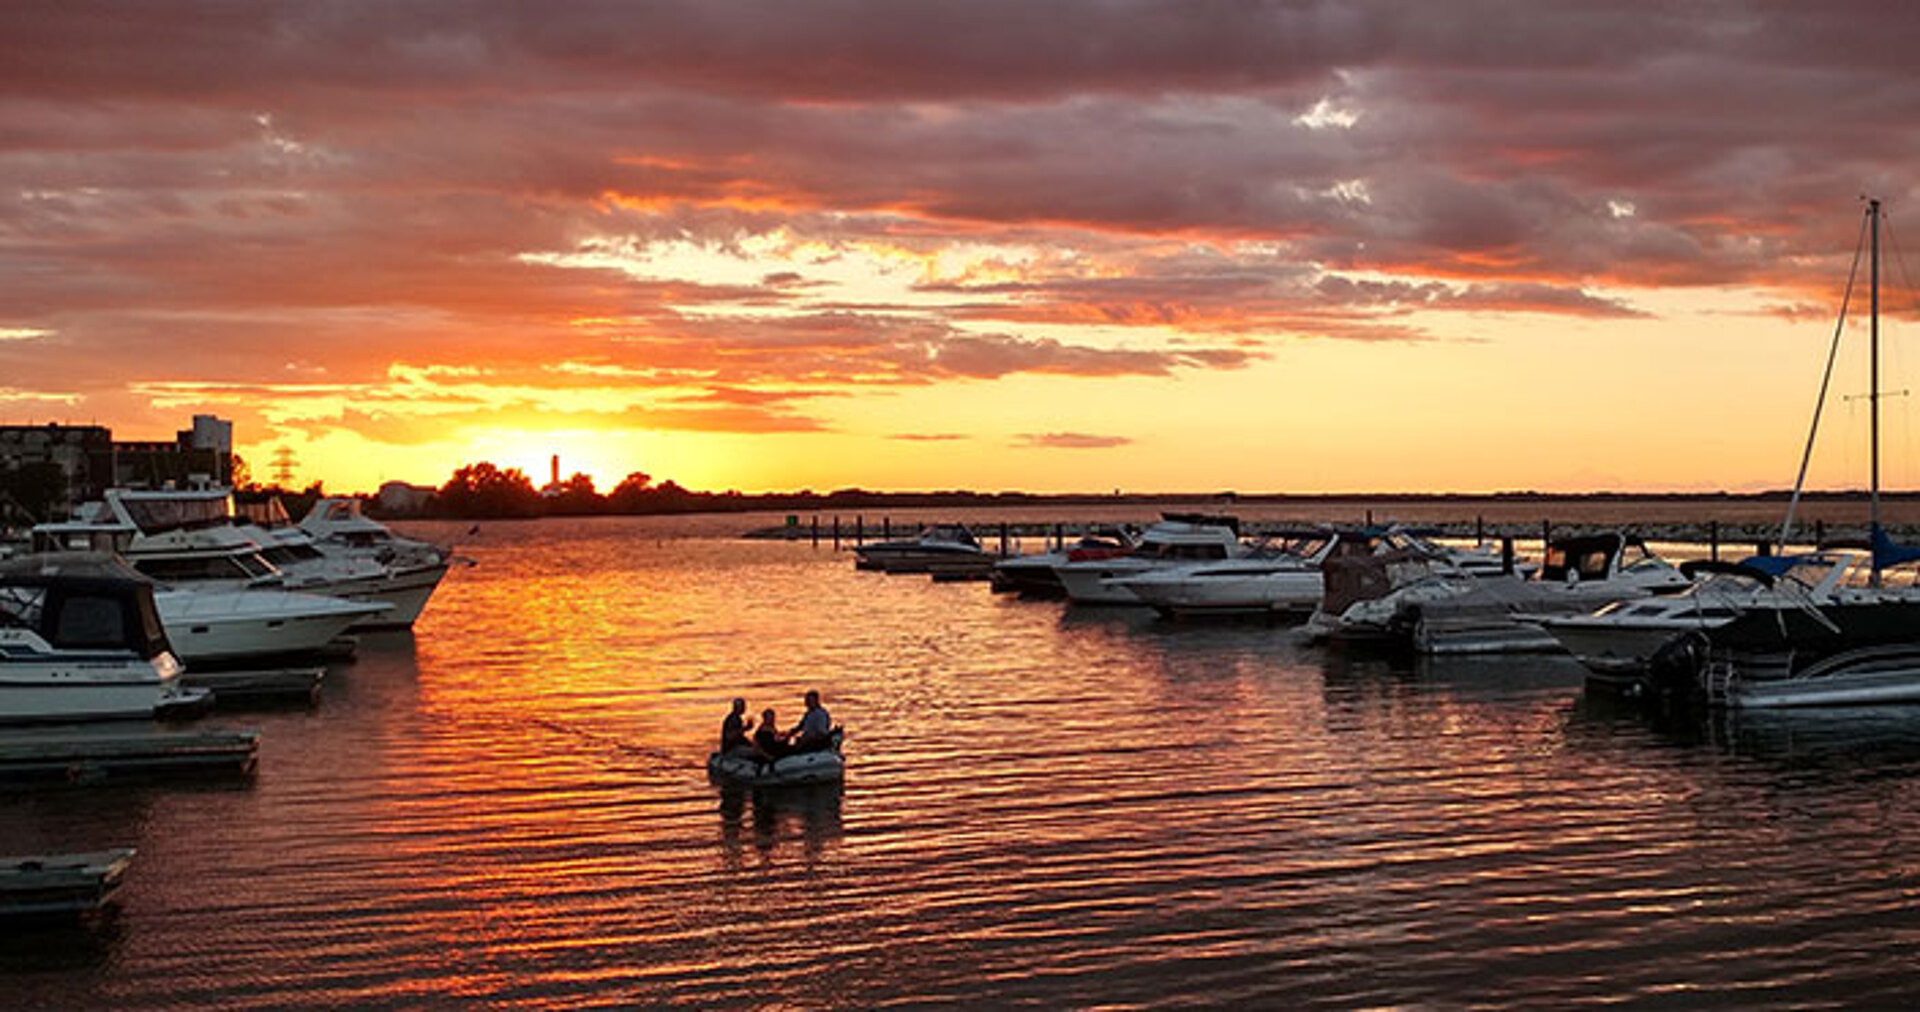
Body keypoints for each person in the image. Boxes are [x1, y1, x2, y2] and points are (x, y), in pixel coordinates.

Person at [787, 689, 833, 754]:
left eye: (810, 700)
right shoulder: (808, 714)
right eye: (807, 700)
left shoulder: (820, 714)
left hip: (813, 741)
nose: (807, 702)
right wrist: (789, 733)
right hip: (806, 739)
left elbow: (821, 732)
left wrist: (807, 739)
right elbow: (800, 726)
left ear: (816, 701)